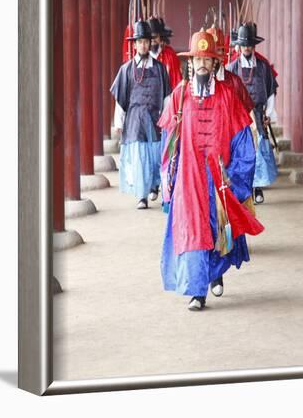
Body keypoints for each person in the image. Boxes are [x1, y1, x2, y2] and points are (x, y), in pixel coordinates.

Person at [158, 31, 263, 311]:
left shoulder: (228, 96)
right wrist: (168, 181)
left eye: (208, 60)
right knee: (193, 232)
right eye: (198, 59)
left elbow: (243, 139)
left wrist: (237, 178)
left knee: (218, 232)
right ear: (190, 63)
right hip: (189, 180)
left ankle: (215, 274)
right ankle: (197, 291)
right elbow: (168, 144)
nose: (202, 65)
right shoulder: (179, 96)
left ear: (216, 64)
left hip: (219, 177)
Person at [110, 20, 172, 209]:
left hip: (155, 120)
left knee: (154, 157)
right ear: (134, 44)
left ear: (150, 42)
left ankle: (154, 186)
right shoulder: (126, 69)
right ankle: (142, 195)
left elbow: (167, 97)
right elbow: (120, 100)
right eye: (140, 42)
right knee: (138, 158)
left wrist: (168, 119)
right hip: (135, 121)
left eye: (146, 41)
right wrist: (118, 123)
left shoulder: (160, 69)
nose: (144, 45)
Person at [227, 23, 278, 204]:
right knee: (242, 153)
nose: (247, 47)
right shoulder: (231, 68)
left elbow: (271, 91)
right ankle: (245, 188)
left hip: (257, 113)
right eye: (244, 44)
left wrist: (268, 114)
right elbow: (226, 94)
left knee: (258, 153)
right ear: (239, 46)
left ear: (254, 46)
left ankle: (257, 188)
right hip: (239, 117)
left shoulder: (264, 67)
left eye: (250, 44)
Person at [206, 25, 254, 113]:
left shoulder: (235, 81)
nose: (215, 55)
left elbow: (247, 113)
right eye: (211, 51)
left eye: (218, 50)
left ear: (224, 52)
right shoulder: (191, 86)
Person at [147, 16, 182, 90]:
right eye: (150, 38)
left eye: (155, 37)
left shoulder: (170, 55)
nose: (152, 40)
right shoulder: (142, 56)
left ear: (160, 37)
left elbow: (177, 83)